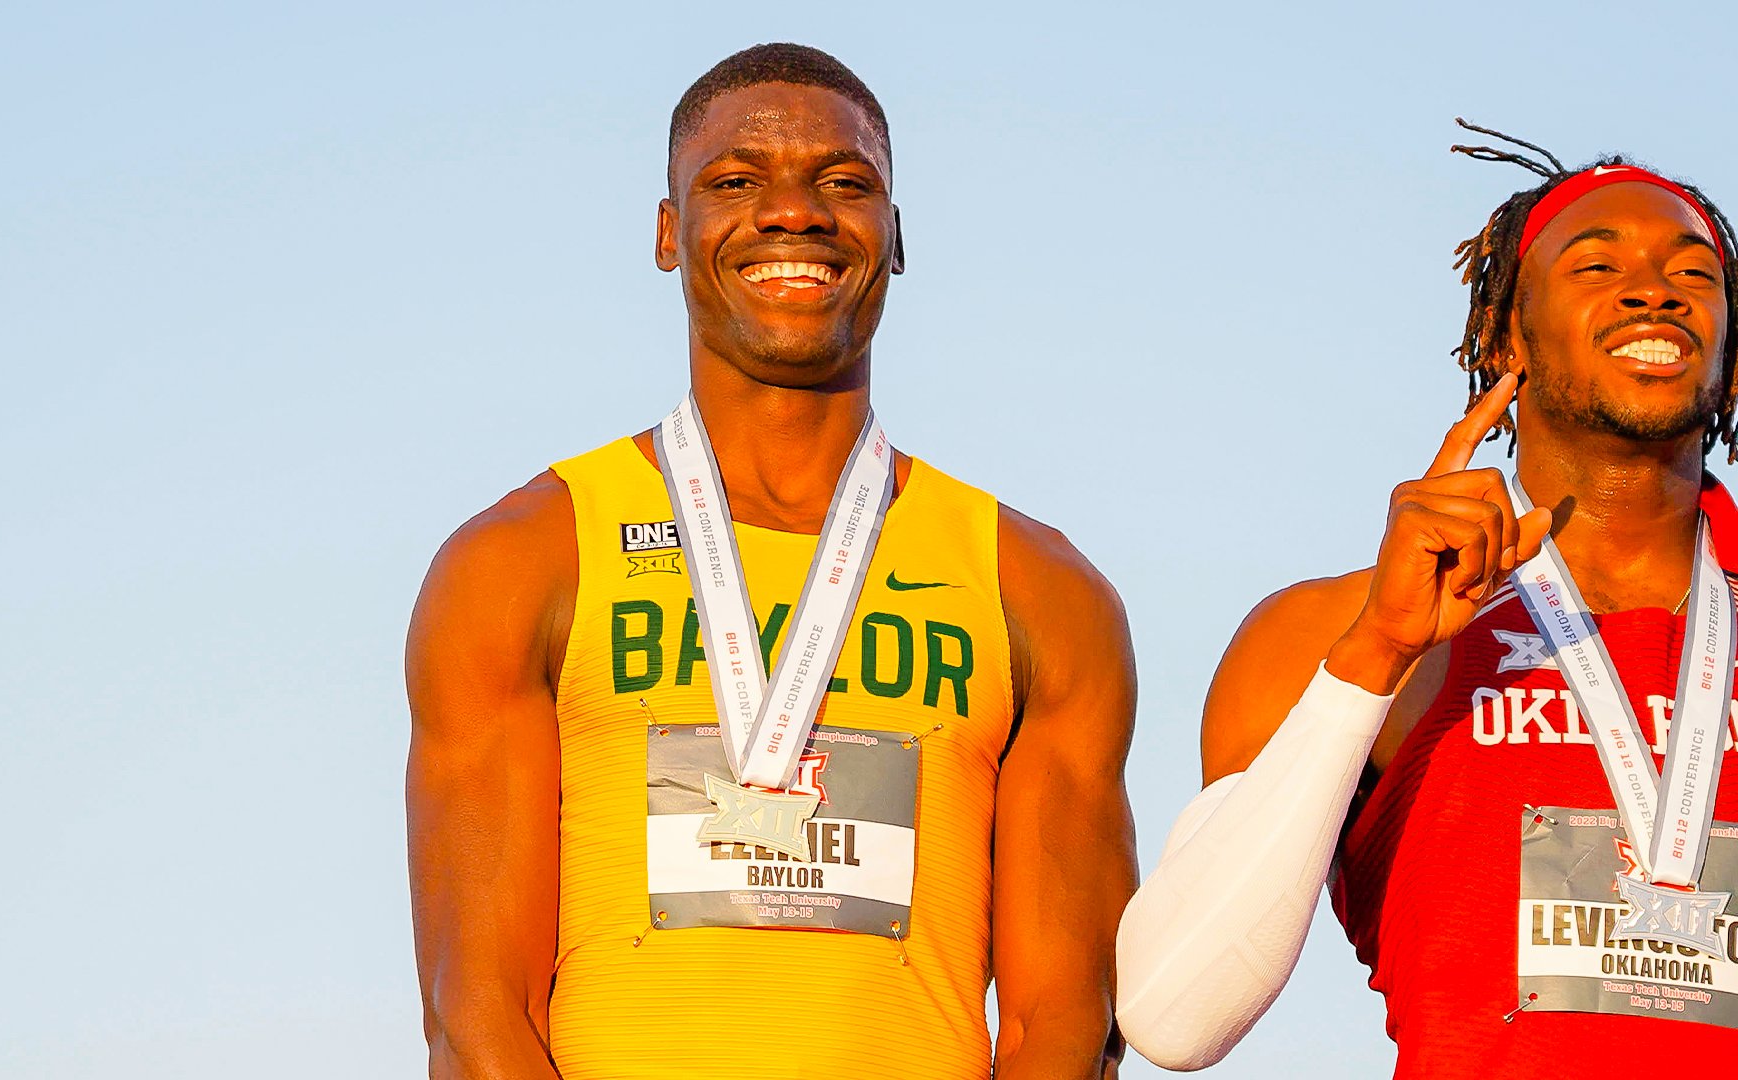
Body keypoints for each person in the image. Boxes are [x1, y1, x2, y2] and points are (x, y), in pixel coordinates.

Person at [406, 43, 1136, 1079]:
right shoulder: (525, 558)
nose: (794, 212)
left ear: (894, 239)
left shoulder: (1042, 591)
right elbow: (475, 1011)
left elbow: (1063, 1026)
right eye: (736, 181)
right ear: (669, 233)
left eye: (846, 184)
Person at [1116, 123, 1738, 1076]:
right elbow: (1171, 1013)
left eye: (1693, 274)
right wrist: (1376, 654)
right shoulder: (1328, 630)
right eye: (1595, 263)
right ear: (1503, 335)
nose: (1653, 288)